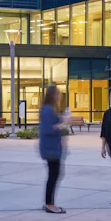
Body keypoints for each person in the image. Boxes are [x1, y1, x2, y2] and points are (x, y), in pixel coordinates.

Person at [39, 85, 69, 214]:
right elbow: (48, 129)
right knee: (54, 175)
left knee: (55, 174)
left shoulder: (50, 109)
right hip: (50, 149)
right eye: (58, 94)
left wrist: (62, 120)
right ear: (53, 95)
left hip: (53, 148)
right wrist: (64, 122)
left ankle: (49, 202)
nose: (60, 96)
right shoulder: (47, 110)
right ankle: (49, 204)